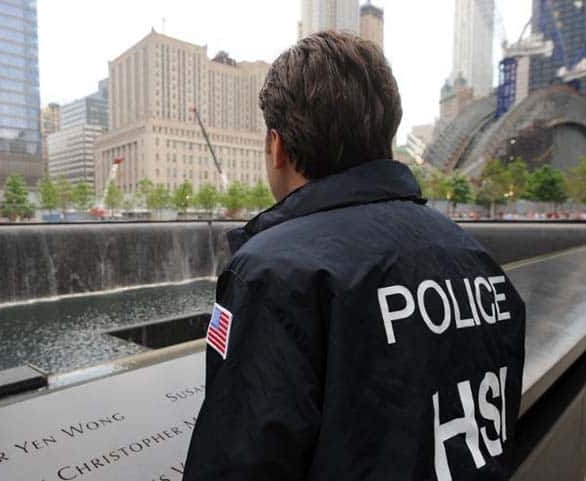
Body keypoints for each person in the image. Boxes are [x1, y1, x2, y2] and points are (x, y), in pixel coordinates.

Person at [182, 31, 525, 481]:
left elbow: (239, 462)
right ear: (384, 135)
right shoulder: (477, 261)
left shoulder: (274, 273)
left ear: (277, 146)